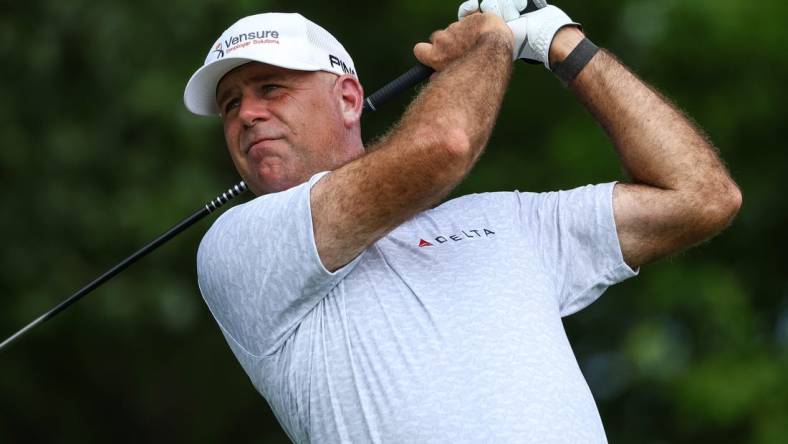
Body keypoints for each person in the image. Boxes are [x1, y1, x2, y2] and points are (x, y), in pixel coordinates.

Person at [184, 1, 741, 442]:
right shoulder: (236, 245)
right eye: (231, 104)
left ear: (350, 99)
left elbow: (700, 196)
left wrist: (558, 41)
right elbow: (443, 146)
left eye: (270, 89)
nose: (247, 114)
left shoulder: (506, 221)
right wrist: (491, 41)